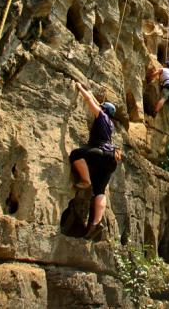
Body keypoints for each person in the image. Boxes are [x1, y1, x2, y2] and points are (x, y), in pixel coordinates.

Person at [69, 82, 119, 240]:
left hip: (100, 152)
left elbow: (90, 100)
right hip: (111, 159)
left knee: (76, 154)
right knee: (100, 191)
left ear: (104, 110)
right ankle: (96, 223)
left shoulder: (101, 115)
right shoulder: (111, 124)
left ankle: (85, 180)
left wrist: (80, 87)